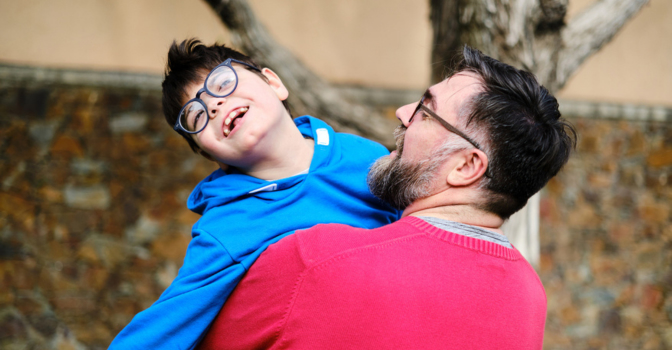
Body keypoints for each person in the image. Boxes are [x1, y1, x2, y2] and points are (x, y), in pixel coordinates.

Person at [198, 45, 577, 350]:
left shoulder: (313, 261)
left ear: (465, 167)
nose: (403, 112)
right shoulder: (529, 298)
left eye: (426, 111)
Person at [108, 39, 400, 350]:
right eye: (197, 117)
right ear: (211, 155)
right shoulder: (228, 227)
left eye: (222, 83)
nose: (214, 105)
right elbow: (161, 328)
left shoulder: (362, 154)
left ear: (274, 82)